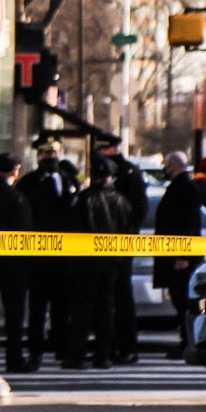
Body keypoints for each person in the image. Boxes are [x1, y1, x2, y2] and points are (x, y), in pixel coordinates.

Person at [62, 156, 130, 368]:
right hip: (111, 261)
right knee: (106, 307)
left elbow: (73, 227)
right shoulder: (120, 200)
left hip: (86, 261)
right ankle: (104, 355)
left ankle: (78, 355)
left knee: (82, 307)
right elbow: (127, 229)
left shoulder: (83, 199)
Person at [16, 141, 73, 363]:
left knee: (62, 305)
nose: (50, 157)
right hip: (38, 253)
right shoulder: (28, 183)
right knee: (37, 306)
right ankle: (35, 349)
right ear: (39, 156)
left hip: (63, 253)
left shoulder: (66, 180)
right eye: (46, 153)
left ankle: (60, 345)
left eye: (54, 153)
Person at [93, 141, 148, 363]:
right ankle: (115, 346)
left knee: (120, 298)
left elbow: (138, 210)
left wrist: (128, 237)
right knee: (112, 298)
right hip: (114, 246)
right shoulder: (120, 171)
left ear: (110, 149)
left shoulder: (127, 173)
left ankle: (125, 347)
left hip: (119, 246)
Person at [0, 153, 38, 374]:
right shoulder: (17, 197)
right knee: (14, 315)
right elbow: (25, 231)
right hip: (13, 264)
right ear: (15, 172)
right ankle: (14, 358)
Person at [151, 151, 206, 356]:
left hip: (182, 256)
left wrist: (183, 255)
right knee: (179, 299)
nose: (164, 169)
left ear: (173, 165)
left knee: (183, 300)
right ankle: (186, 340)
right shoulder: (182, 186)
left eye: (166, 165)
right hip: (176, 253)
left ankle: (188, 342)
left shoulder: (187, 188)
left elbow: (188, 224)